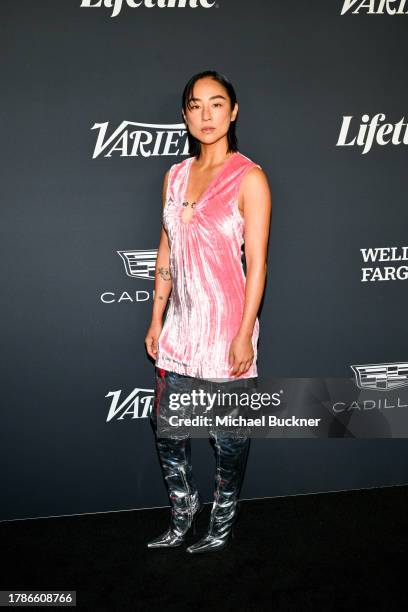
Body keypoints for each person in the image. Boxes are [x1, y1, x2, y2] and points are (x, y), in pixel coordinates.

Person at [145, 70, 272, 554]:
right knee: (169, 433)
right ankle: (181, 519)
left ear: (233, 111)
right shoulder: (174, 175)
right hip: (179, 329)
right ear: (185, 115)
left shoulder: (250, 177)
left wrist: (244, 335)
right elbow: (165, 254)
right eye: (195, 105)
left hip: (226, 331)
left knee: (229, 442)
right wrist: (156, 319)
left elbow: (257, 265)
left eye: (216, 104)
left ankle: (219, 527)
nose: (206, 114)